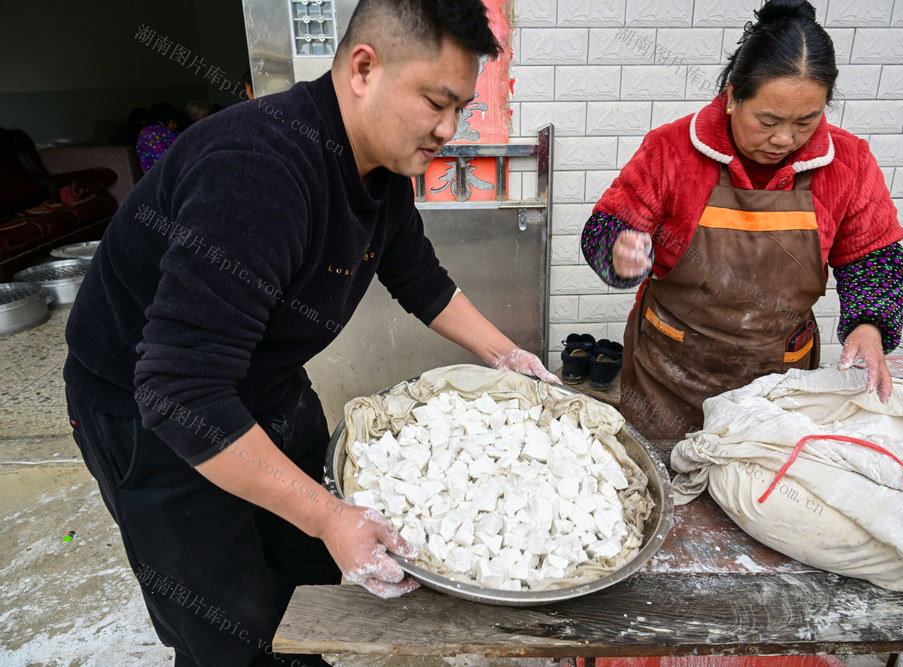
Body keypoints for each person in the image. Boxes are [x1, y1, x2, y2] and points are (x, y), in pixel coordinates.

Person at [63, 1, 555, 664]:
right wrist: (330, 516)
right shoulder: (259, 173)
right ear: (363, 68)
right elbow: (178, 389)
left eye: (461, 106)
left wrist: (506, 352)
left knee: (311, 582)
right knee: (226, 624)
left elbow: (418, 276)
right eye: (436, 102)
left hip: (261, 381)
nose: (449, 129)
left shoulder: (382, 169)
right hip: (149, 411)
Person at [581, 0, 903, 441]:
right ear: (733, 96)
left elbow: (875, 258)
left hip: (775, 384)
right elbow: (604, 229)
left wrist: (869, 325)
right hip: (670, 376)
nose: (784, 139)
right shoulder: (671, 149)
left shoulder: (848, 162)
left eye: (805, 122)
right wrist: (619, 252)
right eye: (768, 120)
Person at [136, 102, 181, 173]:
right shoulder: (149, 135)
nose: (175, 126)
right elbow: (164, 159)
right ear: (160, 121)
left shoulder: (169, 133)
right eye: (172, 123)